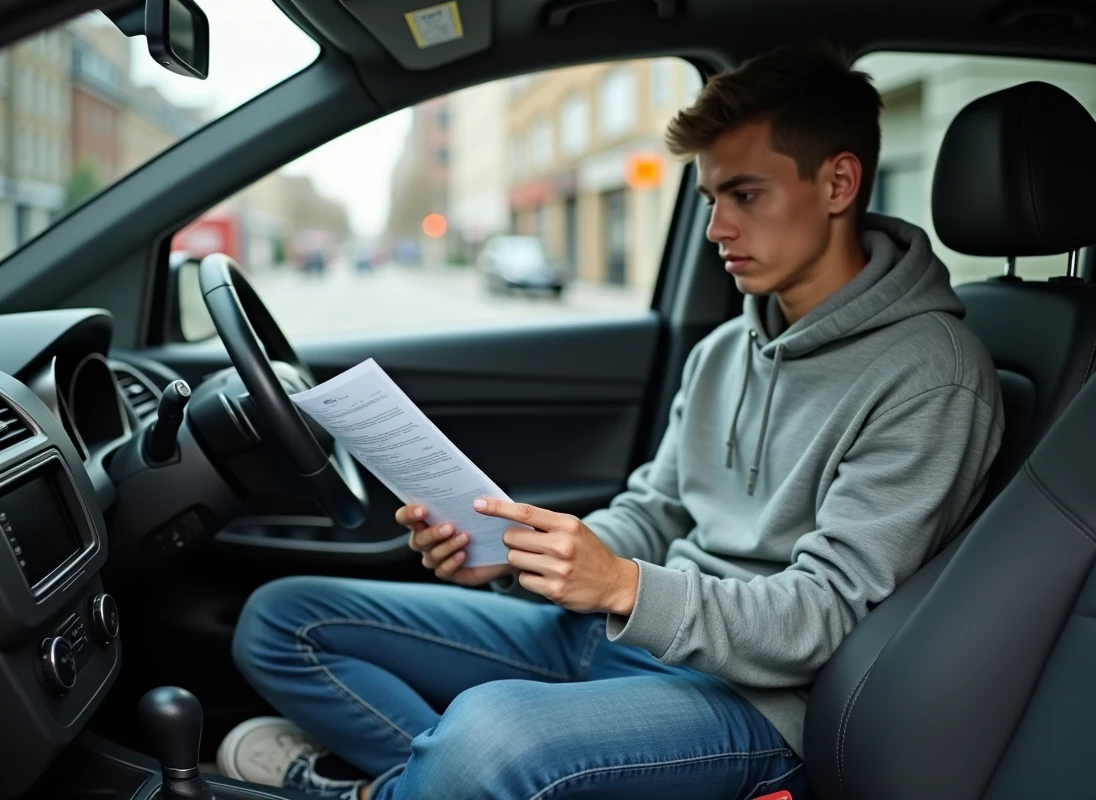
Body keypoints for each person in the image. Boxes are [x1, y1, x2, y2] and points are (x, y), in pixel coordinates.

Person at [218, 43, 1005, 800]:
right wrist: (518, 559)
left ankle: (382, 791)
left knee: (490, 738)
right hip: (627, 638)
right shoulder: (729, 347)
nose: (716, 229)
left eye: (746, 195)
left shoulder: (933, 375)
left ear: (838, 184)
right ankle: (417, 785)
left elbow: (827, 616)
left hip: (756, 704)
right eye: (710, 199)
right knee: (284, 618)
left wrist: (625, 588)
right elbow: (656, 510)